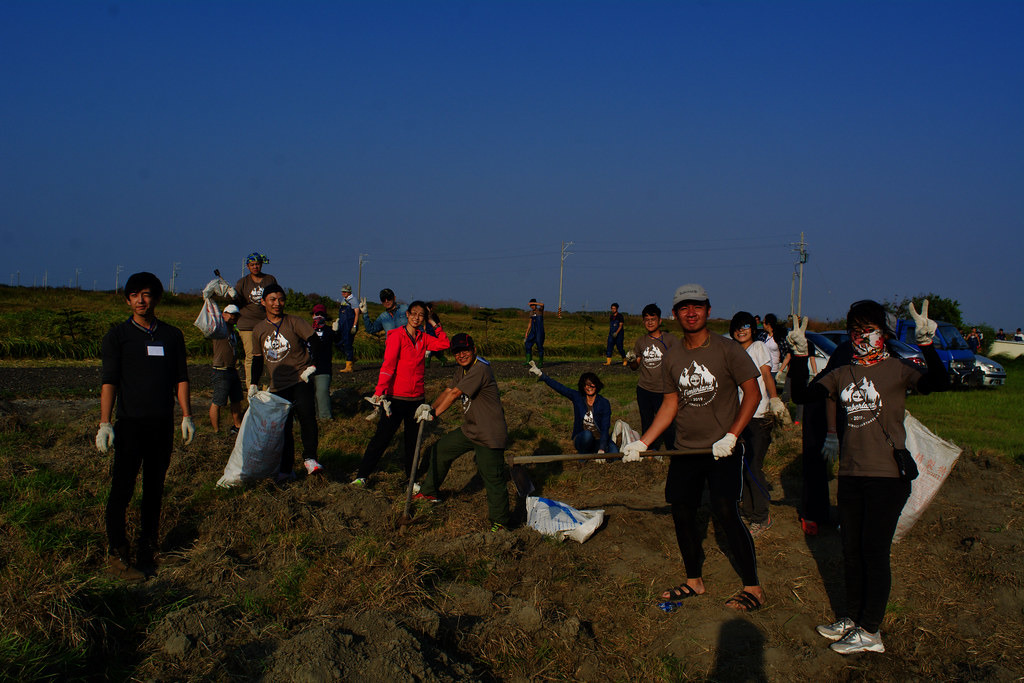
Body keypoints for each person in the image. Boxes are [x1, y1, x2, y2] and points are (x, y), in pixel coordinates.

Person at [788, 299, 948, 655]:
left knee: (874, 551)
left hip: (887, 476)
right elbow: (803, 394)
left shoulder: (897, 369)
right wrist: (799, 356)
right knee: (851, 549)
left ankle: (871, 631)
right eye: (855, 330)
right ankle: (852, 618)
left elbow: (937, 383)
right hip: (851, 474)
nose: (861, 336)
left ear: (883, 333)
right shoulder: (842, 372)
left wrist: (927, 344)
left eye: (868, 329)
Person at [621, 284, 765, 612]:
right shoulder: (673, 358)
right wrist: (644, 441)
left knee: (727, 511)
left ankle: (754, 587)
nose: (691, 312)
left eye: (697, 306)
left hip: (722, 450)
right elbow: (670, 404)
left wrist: (731, 435)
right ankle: (694, 580)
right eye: (684, 307)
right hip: (685, 449)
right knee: (682, 513)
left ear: (708, 310)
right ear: (675, 314)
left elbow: (753, 394)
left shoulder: (729, 350)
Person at [95, 272, 193, 580]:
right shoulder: (118, 336)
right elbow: (109, 381)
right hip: (130, 424)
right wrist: (105, 423)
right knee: (122, 488)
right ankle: (117, 553)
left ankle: (147, 547)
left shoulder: (171, 335)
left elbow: (181, 378)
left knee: (154, 488)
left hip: (161, 423)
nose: (141, 300)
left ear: (157, 298)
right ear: (127, 300)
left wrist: (187, 415)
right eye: (135, 295)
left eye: (147, 294)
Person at [413, 333, 512, 531]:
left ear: (474, 350)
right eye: (457, 352)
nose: (461, 355)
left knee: (492, 478)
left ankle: (500, 524)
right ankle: (429, 492)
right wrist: (429, 408)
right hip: (470, 429)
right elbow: (449, 390)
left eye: (465, 350)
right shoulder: (462, 370)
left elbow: (457, 394)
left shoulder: (480, 369)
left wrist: (434, 416)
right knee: (440, 449)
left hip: (489, 434)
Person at [353, 301, 450, 485]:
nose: (416, 317)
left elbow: (444, 343)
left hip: (416, 400)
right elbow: (388, 365)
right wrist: (379, 392)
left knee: (413, 443)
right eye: (413, 313)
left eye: (421, 315)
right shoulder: (396, 336)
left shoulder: (423, 337)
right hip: (395, 399)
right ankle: (362, 475)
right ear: (407, 315)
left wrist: (433, 323)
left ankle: (411, 479)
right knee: (381, 438)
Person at [249, 284, 324, 482]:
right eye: (272, 299)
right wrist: (253, 384)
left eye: (281, 299)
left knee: (307, 416)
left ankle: (310, 458)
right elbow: (257, 358)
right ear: (263, 302)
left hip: (300, 378)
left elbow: (315, 341)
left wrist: (313, 365)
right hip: (277, 385)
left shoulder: (294, 322)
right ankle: (285, 468)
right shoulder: (258, 330)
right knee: (283, 428)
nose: (277, 303)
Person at [729, 311, 788, 537]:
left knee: (754, 466)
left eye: (745, 326)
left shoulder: (758, 347)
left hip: (759, 415)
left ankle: (762, 517)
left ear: (752, 328)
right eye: (736, 327)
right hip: (739, 416)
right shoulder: (734, 351)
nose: (741, 330)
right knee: (742, 465)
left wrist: (774, 399)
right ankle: (750, 510)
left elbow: (766, 374)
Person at [530, 365, 618, 455]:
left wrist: (602, 448)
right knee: (587, 435)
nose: (589, 387)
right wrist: (541, 375)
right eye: (586, 385)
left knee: (614, 452)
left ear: (596, 385)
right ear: (582, 387)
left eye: (592, 384)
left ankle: (597, 451)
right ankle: (583, 455)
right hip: (582, 437)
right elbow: (561, 388)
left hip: (599, 439)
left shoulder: (604, 403)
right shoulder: (578, 397)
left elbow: (605, 426)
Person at [625, 303, 679, 451]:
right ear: (643, 322)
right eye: (646, 319)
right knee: (647, 421)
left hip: (664, 389)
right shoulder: (641, 342)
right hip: (644, 388)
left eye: (653, 319)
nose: (650, 322)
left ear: (660, 321)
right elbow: (635, 366)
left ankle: (672, 450)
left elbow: (679, 361)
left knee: (668, 423)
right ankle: (649, 449)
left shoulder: (670, 340)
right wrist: (631, 360)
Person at [233, 252, 278, 387]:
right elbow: (236, 302)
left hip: (266, 322)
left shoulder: (269, 279)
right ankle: (251, 388)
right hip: (247, 323)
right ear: (248, 266)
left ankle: (266, 389)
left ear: (261, 265)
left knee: (268, 355)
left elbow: (276, 297)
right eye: (252, 265)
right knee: (251, 356)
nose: (255, 267)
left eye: (257, 264)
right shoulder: (242, 282)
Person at [209, 304, 243, 435]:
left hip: (232, 369)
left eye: (236, 315)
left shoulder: (233, 330)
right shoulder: (219, 328)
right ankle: (216, 431)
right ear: (223, 314)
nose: (233, 317)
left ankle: (237, 426)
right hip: (220, 369)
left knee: (236, 399)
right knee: (218, 400)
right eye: (231, 314)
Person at [308, 303, 339, 420]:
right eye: (317, 314)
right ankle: (311, 417)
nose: (319, 317)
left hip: (323, 368)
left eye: (321, 314)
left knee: (322, 392)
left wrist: (336, 332)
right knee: (309, 395)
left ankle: (325, 419)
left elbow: (339, 342)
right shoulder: (307, 330)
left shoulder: (329, 331)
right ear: (313, 315)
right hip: (308, 368)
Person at [335, 284, 357, 373]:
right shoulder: (344, 300)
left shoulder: (354, 300)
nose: (343, 293)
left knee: (348, 344)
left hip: (349, 325)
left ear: (349, 292)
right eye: (342, 291)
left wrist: (354, 326)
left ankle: (349, 366)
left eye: (344, 292)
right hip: (342, 325)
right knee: (338, 343)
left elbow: (356, 314)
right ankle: (352, 357)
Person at [524, 298, 545, 366]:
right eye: (531, 306)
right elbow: (530, 323)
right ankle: (528, 361)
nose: (532, 306)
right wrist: (527, 332)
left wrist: (534, 303)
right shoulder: (531, 312)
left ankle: (540, 362)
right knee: (527, 343)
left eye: (533, 305)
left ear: (535, 304)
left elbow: (542, 304)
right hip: (533, 331)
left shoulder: (540, 310)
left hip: (539, 331)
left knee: (539, 345)